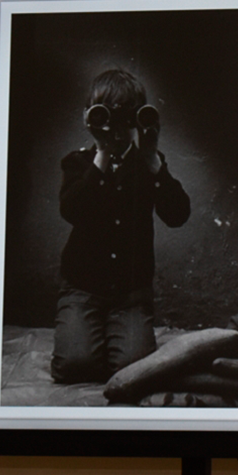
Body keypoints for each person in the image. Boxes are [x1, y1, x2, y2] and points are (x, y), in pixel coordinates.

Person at [51, 68, 191, 384]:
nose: (116, 129)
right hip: (82, 287)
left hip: (130, 294)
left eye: (126, 119)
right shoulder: (77, 163)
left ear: (138, 120)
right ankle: (85, 334)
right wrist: (101, 155)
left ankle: (106, 336)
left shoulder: (148, 164)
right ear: (88, 118)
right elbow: (71, 211)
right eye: (106, 118)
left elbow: (178, 215)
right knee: (74, 365)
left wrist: (152, 158)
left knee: (133, 367)